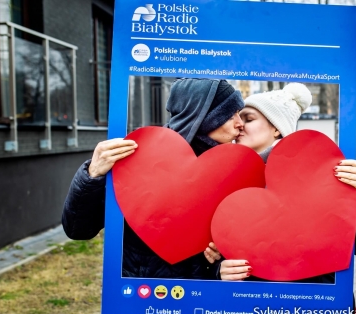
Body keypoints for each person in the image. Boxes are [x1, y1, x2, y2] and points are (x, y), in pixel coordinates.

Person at [205, 83, 356, 283]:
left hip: (312, 302)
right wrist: (217, 269)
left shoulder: (319, 172)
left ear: (276, 128)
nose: (239, 125)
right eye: (238, 118)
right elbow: (216, 248)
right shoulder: (227, 176)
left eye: (248, 118)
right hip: (253, 304)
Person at [62, 78, 241, 279]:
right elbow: (78, 229)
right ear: (204, 115)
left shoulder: (232, 171)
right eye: (230, 114)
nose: (239, 123)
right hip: (143, 297)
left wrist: (218, 263)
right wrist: (93, 174)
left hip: (199, 300)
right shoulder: (138, 157)